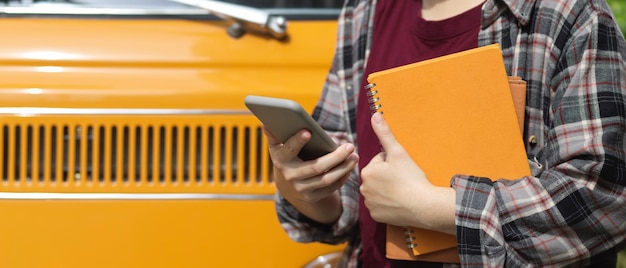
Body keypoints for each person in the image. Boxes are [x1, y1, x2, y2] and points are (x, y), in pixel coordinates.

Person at [264, 0, 626, 267]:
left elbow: (603, 198)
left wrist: (433, 209)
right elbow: (346, 201)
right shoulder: (364, 11)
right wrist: (302, 183)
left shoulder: (569, 14)